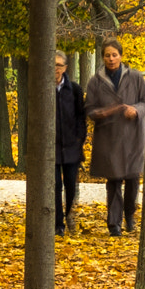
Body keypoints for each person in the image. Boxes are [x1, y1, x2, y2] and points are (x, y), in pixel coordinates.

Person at [86, 40, 145, 236]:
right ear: (103, 57)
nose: (111, 59)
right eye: (107, 55)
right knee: (113, 180)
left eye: (114, 55)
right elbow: (89, 109)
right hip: (109, 138)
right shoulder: (96, 81)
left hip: (133, 136)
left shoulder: (136, 77)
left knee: (132, 180)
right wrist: (102, 113)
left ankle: (129, 216)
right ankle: (114, 224)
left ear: (121, 56)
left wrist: (136, 110)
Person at [53, 51, 89, 236]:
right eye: (53, 65)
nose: (56, 69)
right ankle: (58, 224)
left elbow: (81, 117)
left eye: (59, 65)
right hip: (52, 149)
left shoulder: (74, 89)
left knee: (71, 185)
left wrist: (79, 138)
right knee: (55, 186)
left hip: (72, 147)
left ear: (65, 68)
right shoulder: (43, 89)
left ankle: (69, 215)